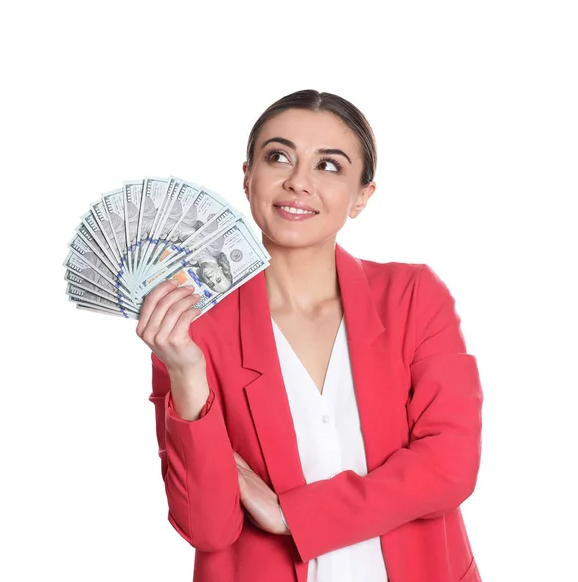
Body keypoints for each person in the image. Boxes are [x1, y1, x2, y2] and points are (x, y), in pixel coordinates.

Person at [136, 89, 483, 582]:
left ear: (362, 196)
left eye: (329, 166)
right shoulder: (193, 329)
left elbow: (449, 467)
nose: (298, 182)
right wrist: (188, 373)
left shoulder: (412, 297)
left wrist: (292, 515)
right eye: (278, 157)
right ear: (248, 177)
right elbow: (207, 528)